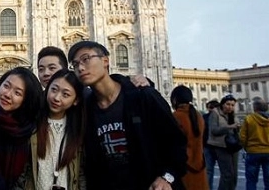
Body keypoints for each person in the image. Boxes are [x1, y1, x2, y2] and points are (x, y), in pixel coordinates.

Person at [68, 40, 187, 190]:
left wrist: (167, 177)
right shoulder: (85, 110)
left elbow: (176, 142)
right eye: (75, 64)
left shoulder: (143, 96)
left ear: (105, 61)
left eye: (85, 59)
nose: (80, 67)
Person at [0, 67, 43, 189]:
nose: (7, 94)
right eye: (6, 86)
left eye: (17, 93)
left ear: (26, 100)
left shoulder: (27, 131)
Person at [26, 69, 86, 190]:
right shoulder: (31, 124)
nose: (57, 98)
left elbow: (80, 173)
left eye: (66, 94)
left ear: (76, 100)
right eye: (54, 89)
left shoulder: (78, 130)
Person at [170, 85, 208, 190]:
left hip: (184, 170)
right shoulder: (199, 116)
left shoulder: (176, 117)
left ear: (174, 100)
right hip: (200, 167)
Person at [208, 94, 240, 190]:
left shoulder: (233, 115)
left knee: (234, 173)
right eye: (228, 104)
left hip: (233, 146)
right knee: (227, 174)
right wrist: (229, 127)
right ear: (222, 104)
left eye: (232, 105)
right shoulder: (215, 113)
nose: (230, 107)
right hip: (221, 146)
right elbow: (213, 130)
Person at [239, 98, 269, 190]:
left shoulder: (249, 119)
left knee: (251, 180)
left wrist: (246, 147)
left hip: (253, 152)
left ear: (255, 108)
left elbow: (242, 137)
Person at [204, 100, 220, 189]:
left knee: (209, 171)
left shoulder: (204, 117)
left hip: (208, 146)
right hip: (218, 146)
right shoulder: (223, 117)